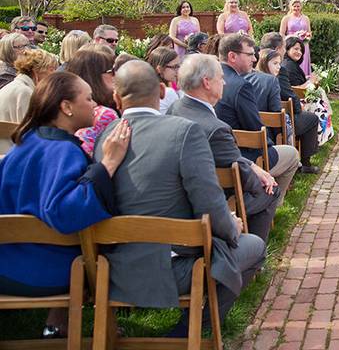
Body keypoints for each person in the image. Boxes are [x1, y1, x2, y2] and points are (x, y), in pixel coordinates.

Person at [95, 60, 265, 335]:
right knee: (254, 246)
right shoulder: (183, 132)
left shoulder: (105, 136)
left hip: (112, 269)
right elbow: (209, 200)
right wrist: (231, 228)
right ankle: (192, 329)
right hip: (173, 269)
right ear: (162, 92)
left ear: (116, 98)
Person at [0, 73, 129, 338]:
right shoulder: (64, 152)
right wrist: (108, 164)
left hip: (6, 263)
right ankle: (106, 330)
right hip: (46, 273)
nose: (95, 103)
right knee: (107, 250)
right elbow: (66, 213)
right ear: (66, 107)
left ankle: (56, 325)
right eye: (88, 98)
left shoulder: (23, 144)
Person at [168, 54, 282, 241]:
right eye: (220, 78)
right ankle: (253, 252)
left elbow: (233, 158)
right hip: (213, 202)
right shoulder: (217, 129)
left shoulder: (174, 108)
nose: (225, 83)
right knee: (270, 189)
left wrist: (253, 166)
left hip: (179, 192)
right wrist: (261, 179)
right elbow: (244, 177)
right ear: (206, 82)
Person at [215, 33, 300, 196]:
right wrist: (268, 144)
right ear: (232, 56)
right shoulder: (241, 85)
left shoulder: (212, 78)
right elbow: (255, 128)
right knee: (292, 155)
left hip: (217, 152)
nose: (254, 59)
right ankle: (271, 199)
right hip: (241, 155)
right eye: (249, 54)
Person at [278, 36, 321, 174]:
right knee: (312, 118)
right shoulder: (285, 68)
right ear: (285, 49)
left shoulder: (285, 66)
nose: (299, 52)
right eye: (295, 49)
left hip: (275, 116)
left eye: (301, 50)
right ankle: (306, 162)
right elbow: (291, 92)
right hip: (283, 118)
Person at [64, 50, 119, 156]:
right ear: (94, 76)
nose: (115, 75)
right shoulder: (105, 115)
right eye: (111, 71)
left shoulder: (70, 110)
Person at [0, 49, 58, 125]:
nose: (55, 74)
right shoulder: (25, 92)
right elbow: (29, 129)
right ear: (36, 71)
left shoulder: (15, 86)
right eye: (51, 69)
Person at [280, 0, 313, 78]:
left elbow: (309, 32)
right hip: (291, 45)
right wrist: (292, 37)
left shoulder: (306, 18)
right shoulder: (286, 18)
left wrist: (307, 36)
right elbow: (281, 34)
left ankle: (304, 79)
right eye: (294, 6)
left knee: (303, 63)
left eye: (298, 6)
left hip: (303, 45)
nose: (296, 8)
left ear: (301, 7)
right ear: (290, 7)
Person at [146, 47, 182, 114]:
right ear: (160, 69)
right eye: (175, 67)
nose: (178, 70)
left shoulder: (148, 87)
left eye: (179, 66)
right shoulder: (168, 92)